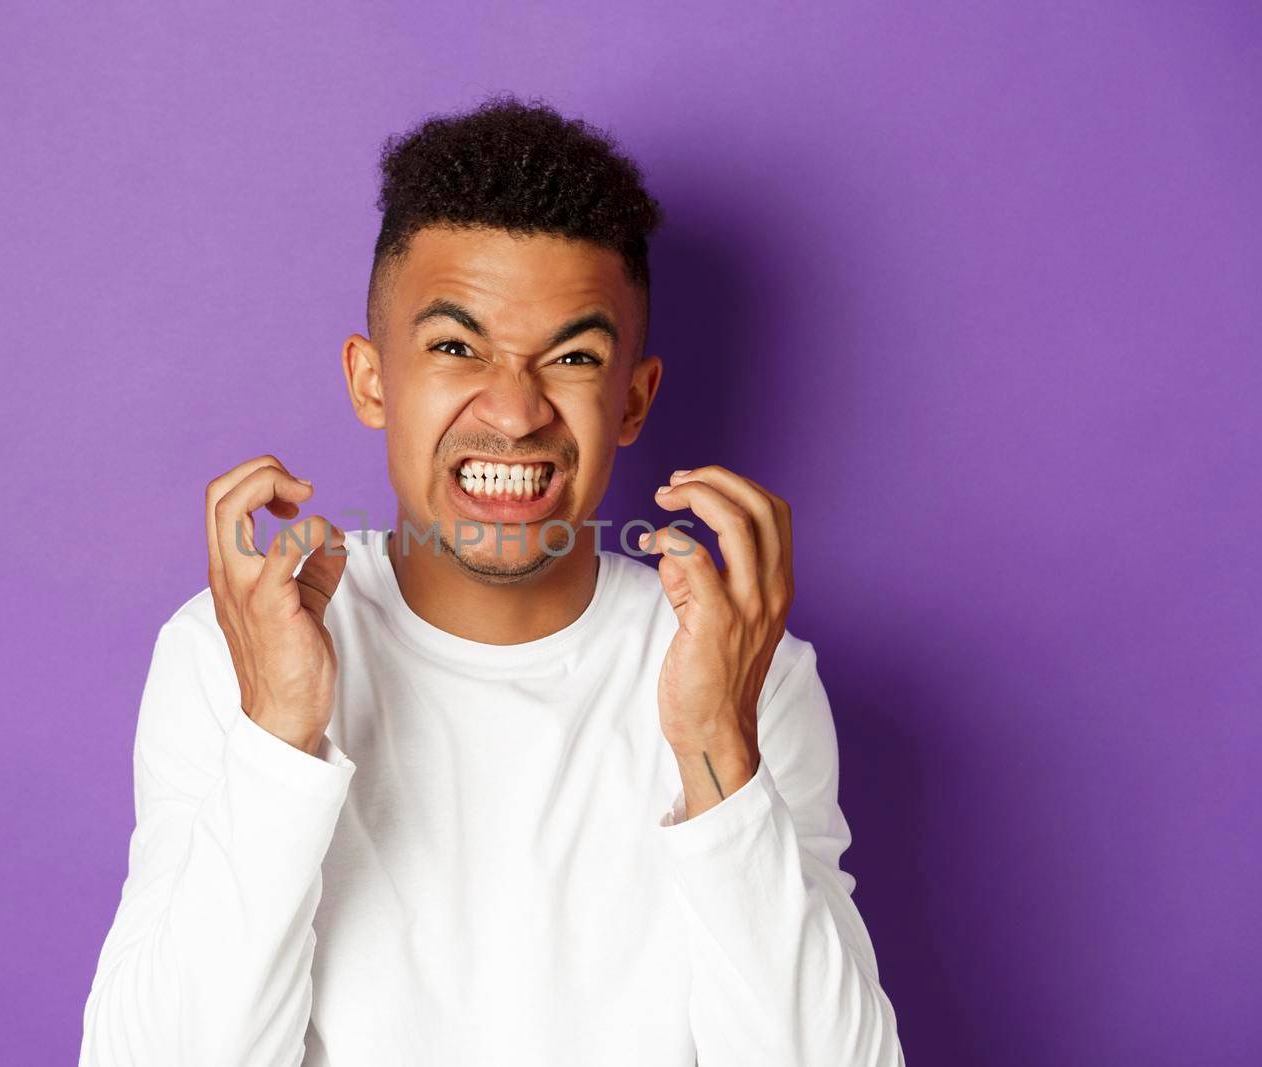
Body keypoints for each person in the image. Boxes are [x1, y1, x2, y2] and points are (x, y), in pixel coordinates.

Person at [79, 94, 906, 1066]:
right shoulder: (229, 650)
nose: (514, 412)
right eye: (454, 347)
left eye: (572, 357)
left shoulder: (741, 668)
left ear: (632, 398)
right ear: (371, 380)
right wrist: (278, 733)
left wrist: (717, 747)